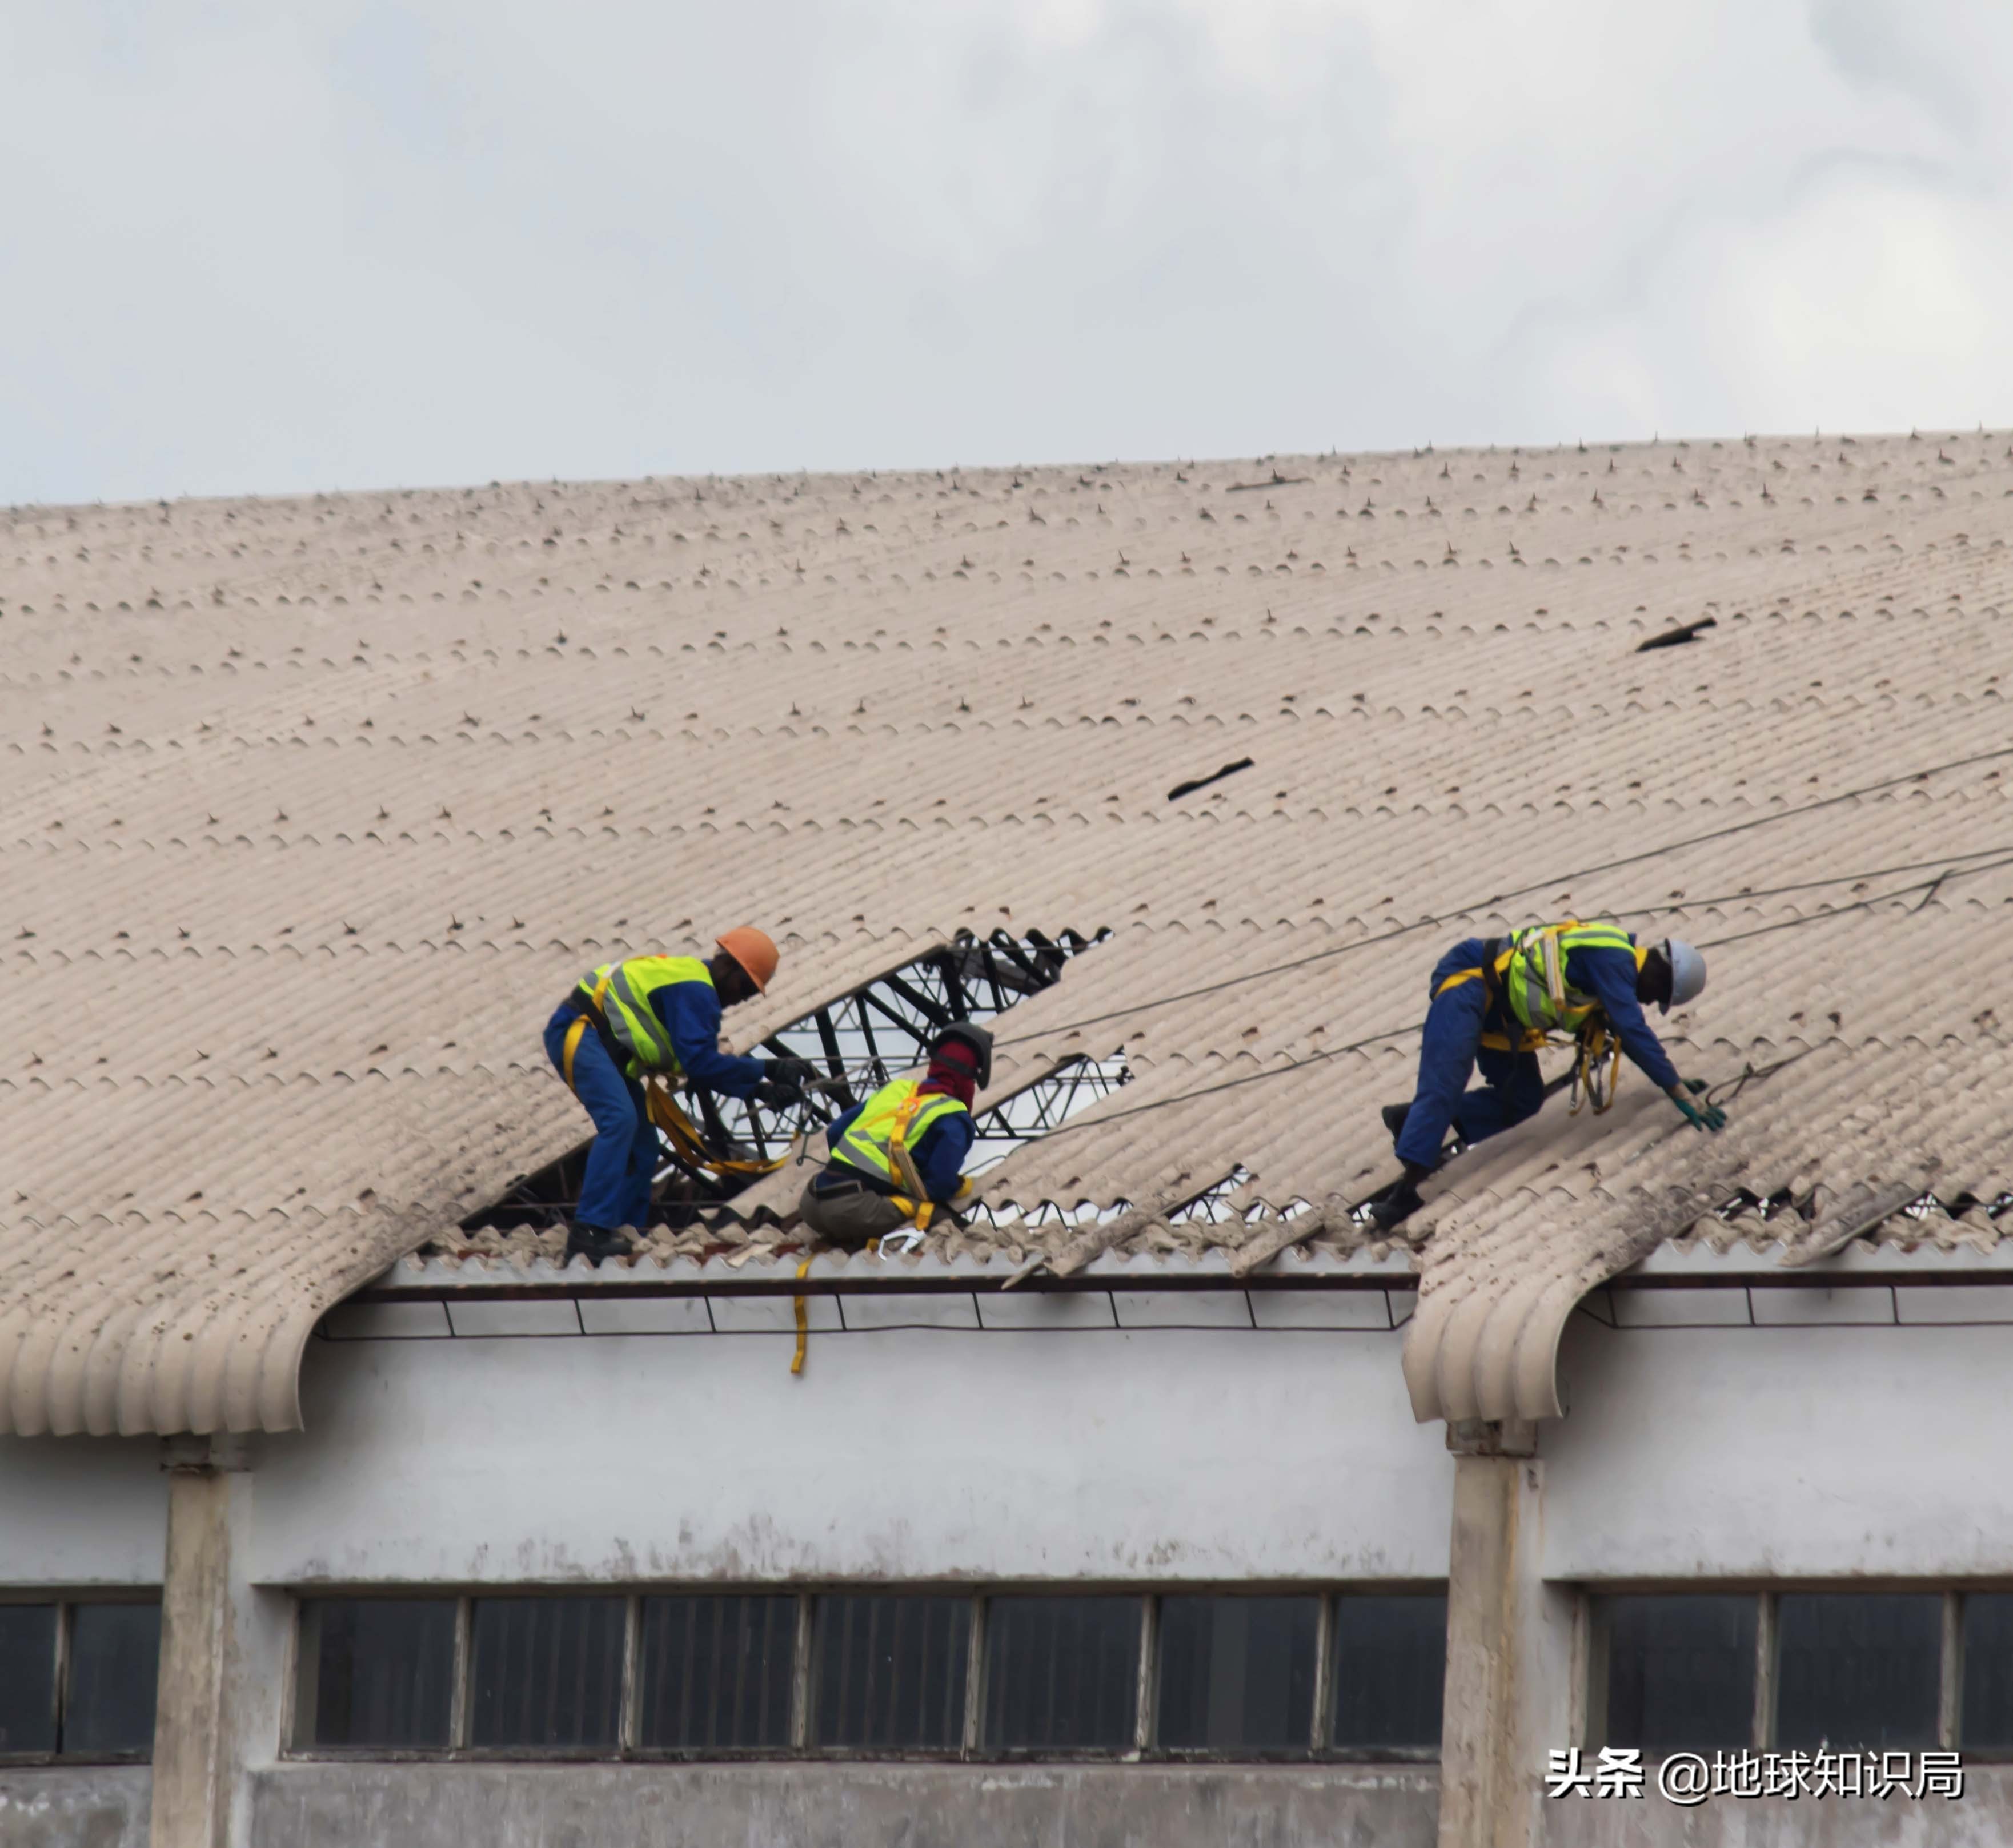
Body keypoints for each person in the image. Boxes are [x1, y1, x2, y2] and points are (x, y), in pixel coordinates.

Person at [1370, 922, 1722, 1230]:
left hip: (1503, 1016)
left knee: (1522, 1098)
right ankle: (1402, 1197)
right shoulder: (1616, 959)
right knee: (1444, 1085)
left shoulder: (1613, 976)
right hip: (1471, 981)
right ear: (1660, 975)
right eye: (1656, 997)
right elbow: (1632, 1030)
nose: (1648, 1003)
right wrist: (1677, 1091)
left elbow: (1625, 1035)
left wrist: (1670, 1081)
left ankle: (1407, 1119)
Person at [545, 929, 812, 1262]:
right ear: (728, 967)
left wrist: (761, 1090)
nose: (744, 997)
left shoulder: (696, 989)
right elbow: (700, 1063)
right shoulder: (695, 990)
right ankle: (588, 1232)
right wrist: (768, 1072)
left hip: (602, 1049)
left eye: (752, 992)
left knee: (643, 1143)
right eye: (745, 986)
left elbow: (702, 1067)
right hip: (580, 1034)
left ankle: (626, 1230)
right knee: (620, 1121)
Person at [797, 1025, 992, 1252]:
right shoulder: (954, 1117)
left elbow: (835, 1132)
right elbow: (938, 1186)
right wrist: (958, 1186)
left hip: (810, 1202)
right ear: (967, 1079)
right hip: (851, 1212)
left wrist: (865, 1173)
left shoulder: (897, 1089)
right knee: (940, 1216)